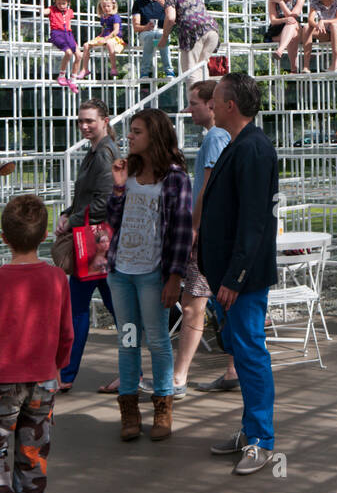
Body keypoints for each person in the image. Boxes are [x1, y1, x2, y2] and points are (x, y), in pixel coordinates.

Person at [199, 74, 280, 475]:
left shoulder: (253, 149)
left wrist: (235, 276)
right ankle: (251, 431)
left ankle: (262, 439)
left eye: (214, 99)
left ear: (230, 105)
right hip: (230, 276)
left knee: (250, 353)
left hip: (241, 279)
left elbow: (254, 221)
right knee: (243, 351)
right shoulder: (240, 145)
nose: (209, 105)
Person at [105, 110, 193, 443]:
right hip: (121, 273)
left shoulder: (174, 178)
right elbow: (113, 220)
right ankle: (128, 409)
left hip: (153, 274)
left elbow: (182, 232)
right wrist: (116, 189)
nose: (129, 137)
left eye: (136, 132)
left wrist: (175, 277)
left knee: (157, 341)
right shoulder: (129, 172)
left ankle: (163, 406)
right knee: (128, 341)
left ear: (153, 136)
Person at [0, 195, 73, 493]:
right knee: (33, 450)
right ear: (45, 234)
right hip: (44, 379)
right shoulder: (57, 278)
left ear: (4, 237)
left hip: (3, 380)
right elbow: (66, 333)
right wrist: (57, 366)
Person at [53, 98, 119, 392]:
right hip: (96, 246)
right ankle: (135, 371)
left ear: (105, 120)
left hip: (95, 245)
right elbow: (89, 197)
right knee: (114, 307)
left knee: (78, 308)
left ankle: (66, 374)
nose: (84, 125)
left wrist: (72, 218)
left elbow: (104, 203)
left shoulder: (103, 154)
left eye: (90, 120)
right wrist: (69, 213)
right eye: (81, 120)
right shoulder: (97, 151)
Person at [173, 81, 233, 397]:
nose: (189, 108)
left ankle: (178, 376)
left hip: (207, 233)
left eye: (194, 103)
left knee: (192, 306)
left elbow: (208, 189)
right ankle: (232, 368)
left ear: (212, 105)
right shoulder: (223, 137)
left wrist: (194, 229)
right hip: (217, 232)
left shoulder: (214, 138)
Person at [157, 0, 220, 91]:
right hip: (213, 31)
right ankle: (208, 102)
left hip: (193, 34)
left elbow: (171, 18)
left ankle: (193, 105)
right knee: (202, 68)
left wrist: (164, 37)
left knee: (191, 72)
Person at [131, 0, 175, 81]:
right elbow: (136, 27)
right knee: (150, 36)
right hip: (146, 34)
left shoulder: (165, 0)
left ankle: (169, 71)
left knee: (162, 35)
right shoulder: (138, 3)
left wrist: (164, 5)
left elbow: (174, 18)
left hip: (161, 32)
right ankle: (144, 72)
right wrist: (145, 27)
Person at [39, 0, 82, 91]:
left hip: (68, 34)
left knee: (79, 55)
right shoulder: (52, 10)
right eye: (58, 3)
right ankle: (62, 75)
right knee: (68, 53)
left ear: (68, 3)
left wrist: (71, 39)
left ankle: (73, 79)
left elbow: (69, 25)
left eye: (63, 3)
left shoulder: (69, 11)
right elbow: (42, 12)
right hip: (57, 33)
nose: (61, 5)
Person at [77, 0, 125, 79]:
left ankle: (114, 67)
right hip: (104, 37)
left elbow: (116, 30)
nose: (106, 8)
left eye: (108, 6)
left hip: (115, 37)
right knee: (86, 45)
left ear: (113, 6)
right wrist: (99, 37)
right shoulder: (103, 17)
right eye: (104, 6)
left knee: (110, 44)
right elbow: (104, 29)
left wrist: (106, 38)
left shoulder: (115, 16)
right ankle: (84, 69)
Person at [266, 0, 305, 70]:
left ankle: (280, 50)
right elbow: (273, 21)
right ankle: (294, 69)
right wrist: (284, 19)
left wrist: (281, 3)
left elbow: (292, 16)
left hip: (294, 26)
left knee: (292, 23)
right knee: (293, 34)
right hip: (278, 31)